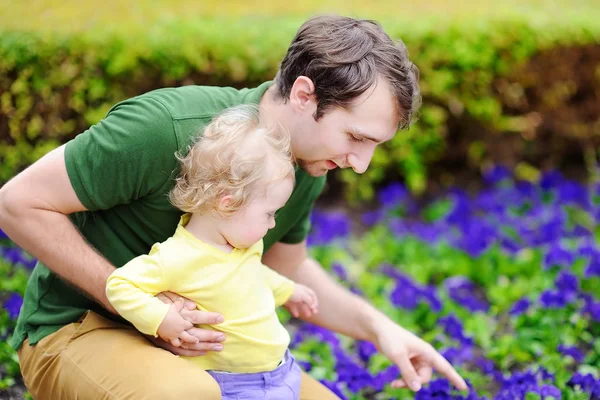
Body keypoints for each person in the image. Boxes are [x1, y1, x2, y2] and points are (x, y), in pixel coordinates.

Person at [0, 14, 468, 400]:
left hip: (210, 357)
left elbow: (292, 270)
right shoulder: (164, 129)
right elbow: (17, 204)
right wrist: (146, 308)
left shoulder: (303, 165)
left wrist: (380, 329)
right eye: (355, 138)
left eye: (373, 146)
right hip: (79, 330)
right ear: (305, 96)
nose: (360, 165)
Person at [105, 104, 319, 399]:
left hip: (282, 372)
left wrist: (289, 291)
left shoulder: (245, 246)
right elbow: (120, 285)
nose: (272, 224)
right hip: (233, 385)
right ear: (228, 203)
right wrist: (160, 319)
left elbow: (253, 278)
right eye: (269, 214)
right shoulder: (178, 257)